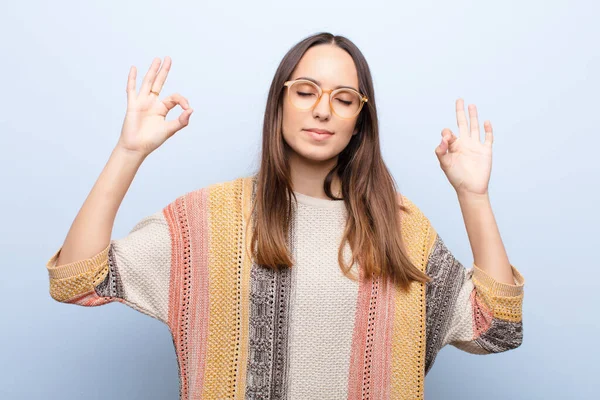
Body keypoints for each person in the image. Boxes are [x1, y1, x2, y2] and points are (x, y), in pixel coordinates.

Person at [45, 32, 525, 399]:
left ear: (360, 121)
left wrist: (473, 196)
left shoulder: (399, 229)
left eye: (343, 99)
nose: (322, 110)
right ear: (279, 100)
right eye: (306, 91)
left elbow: (498, 328)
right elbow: (75, 279)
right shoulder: (208, 221)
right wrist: (128, 152)